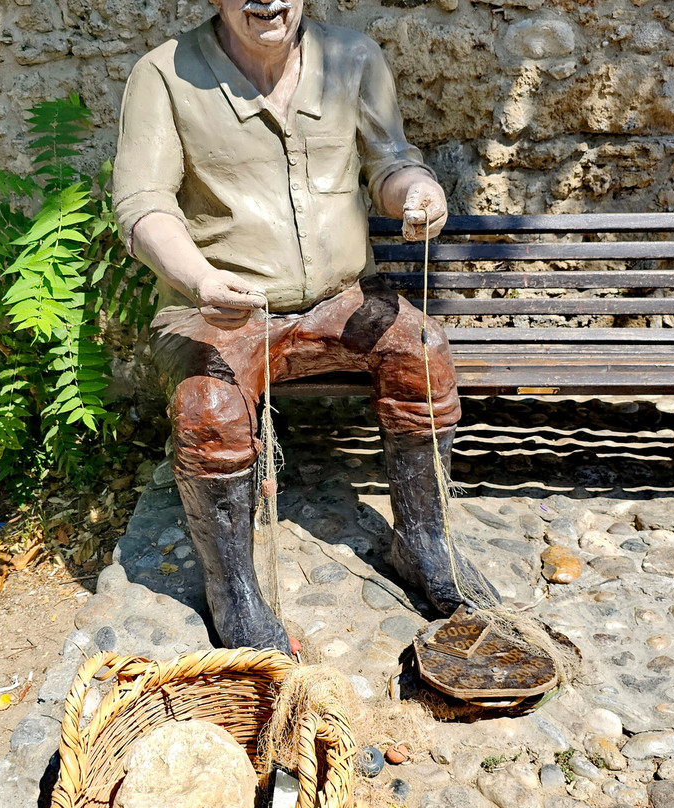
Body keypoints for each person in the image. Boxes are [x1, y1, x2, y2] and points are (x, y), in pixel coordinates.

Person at [112, 0, 500, 652]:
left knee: (421, 347)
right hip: (225, 306)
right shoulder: (165, 75)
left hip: (339, 298)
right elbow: (142, 204)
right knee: (208, 405)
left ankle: (423, 543)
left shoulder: (352, 58)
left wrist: (415, 194)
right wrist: (200, 280)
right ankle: (232, 590)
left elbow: (389, 160)